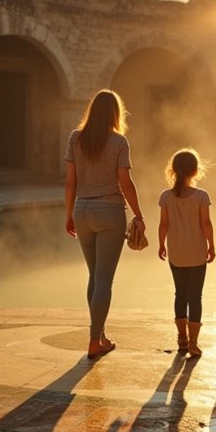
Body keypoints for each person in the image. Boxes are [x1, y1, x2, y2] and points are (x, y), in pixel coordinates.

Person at [64, 89, 146, 360]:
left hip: (82, 210)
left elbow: (70, 182)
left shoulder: (76, 138)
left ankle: (98, 335)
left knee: (93, 277)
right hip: (110, 211)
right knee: (104, 280)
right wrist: (139, 214)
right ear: (115, 113)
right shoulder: (119, 142)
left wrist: (68, 214)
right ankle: (94, 340)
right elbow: (125, 182)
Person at [157, 148, 215, 356]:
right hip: (197, 254)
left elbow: (163, 225)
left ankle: (181, 337)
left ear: (173, 170)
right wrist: (212, 245)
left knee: (179, 294)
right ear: (196, 171)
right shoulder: (201, 196)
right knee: (195, 297)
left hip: (177, 253)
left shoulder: (166, 197)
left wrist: (161, 244)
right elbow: (206, 223)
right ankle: (193, 343)